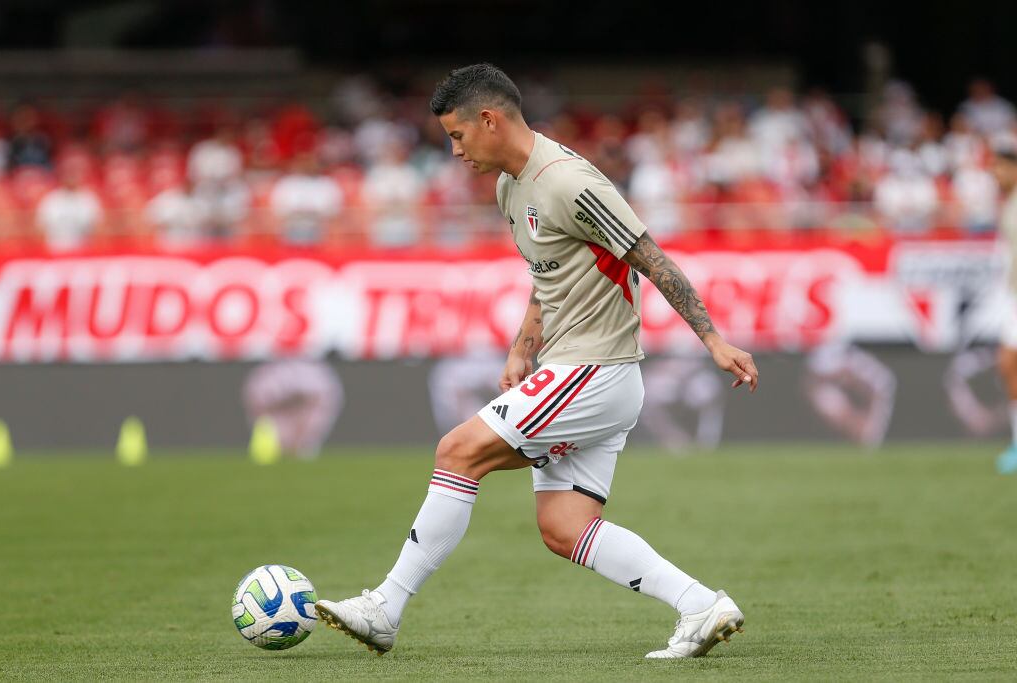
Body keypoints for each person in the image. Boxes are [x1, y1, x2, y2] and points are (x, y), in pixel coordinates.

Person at [316, 64, 759, 659]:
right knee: (563, 526)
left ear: (490, 120)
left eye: (458, 135)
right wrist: (522, 347)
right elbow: (547, 275)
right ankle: (701, 605)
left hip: (593, 369)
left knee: (457, 451)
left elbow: (651, 258)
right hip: (587, 372)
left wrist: (713, 341)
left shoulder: (568, 182)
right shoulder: (510, 184)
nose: (454, 150)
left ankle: (385, 608)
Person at [991, 140, 1017, 473]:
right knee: (1008, 366)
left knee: (1009, 363)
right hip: (1014, 296)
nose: (996, 174)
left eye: (1000, 166)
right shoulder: (1009, 204)